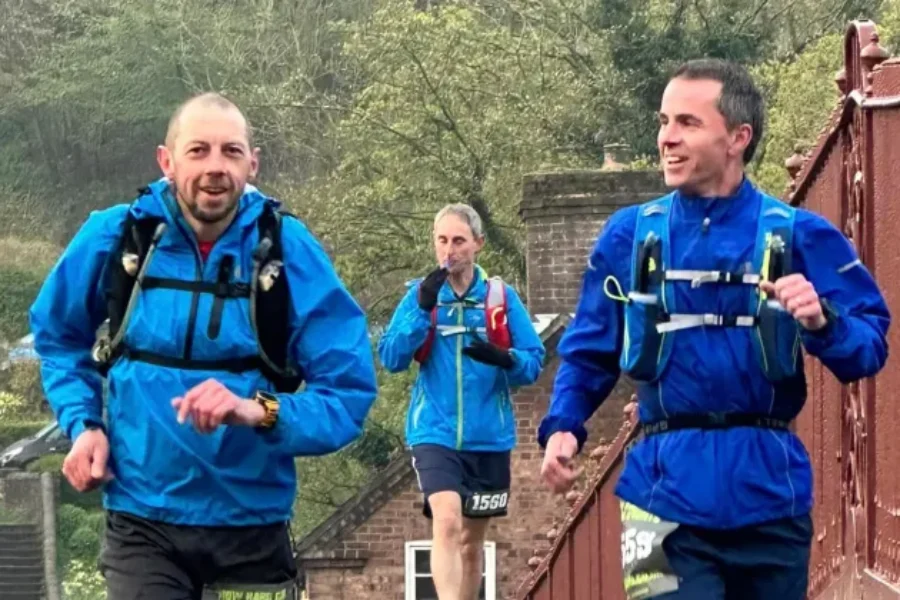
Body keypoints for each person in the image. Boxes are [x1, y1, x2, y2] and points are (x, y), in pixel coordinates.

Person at [538, 58, 890, 599]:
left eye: (687, 123)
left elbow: (870, 347)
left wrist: (823, 321)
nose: (666, 139)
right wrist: (564, 426)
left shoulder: (800, 236)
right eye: (663, 122)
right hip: (652, 502)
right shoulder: (626, 236)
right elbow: (588, 351)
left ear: (738, 137)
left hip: (772, 498)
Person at [29, 92, 379, 599]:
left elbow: (348, 395)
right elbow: (58, 338)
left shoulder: (288, 252)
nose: (215, 167)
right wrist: (84, 425)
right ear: (166, 161)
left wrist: (255, 410)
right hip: (141, 519)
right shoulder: (117, 237)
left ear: (252, 163)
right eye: (199, 151)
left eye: (231, 152)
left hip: (251, 522)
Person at [378, 204, 545, 600]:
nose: (449, 250)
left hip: (489, 437)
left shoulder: (500, 298)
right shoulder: (422, 296)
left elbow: (533, 362)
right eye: (441, 240)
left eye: (458, 241)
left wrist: (506, 359)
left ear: (478, 245)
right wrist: (421, 309)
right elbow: (391, 358)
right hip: (433, 432)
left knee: (472, 543)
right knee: (447, 521)